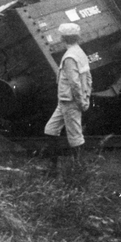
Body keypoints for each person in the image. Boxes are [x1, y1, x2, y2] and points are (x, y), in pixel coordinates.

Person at [43, 22, 93, 162]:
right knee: (50, 129)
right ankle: (53, 168)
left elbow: (74, 84)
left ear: (62, 38)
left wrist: (81, 102)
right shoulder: (79, 52)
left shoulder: (70, 56)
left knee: (75, 136)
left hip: (70, 101)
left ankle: (79, 169)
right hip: (65, 101)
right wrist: (86, 97)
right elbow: (88, 78)